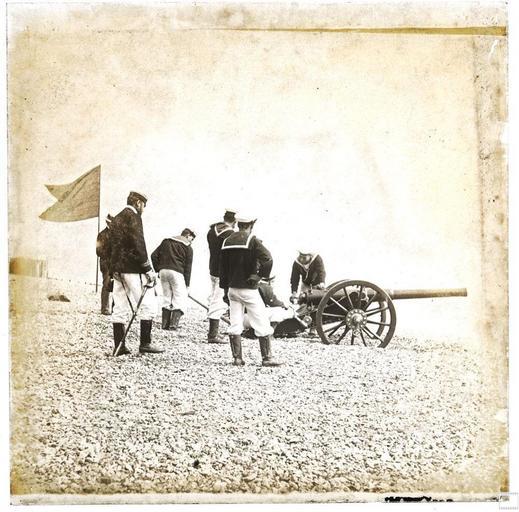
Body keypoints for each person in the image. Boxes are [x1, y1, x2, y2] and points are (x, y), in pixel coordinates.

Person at [219, 214, 282, 367]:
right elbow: (268, 259)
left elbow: (222, 269)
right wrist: (259, 276)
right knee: (261, 322)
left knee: (235, 322)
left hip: (232, 289)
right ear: (251, 225)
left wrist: (225, 289)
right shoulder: (252, 240)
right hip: (248, 289)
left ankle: (237, 358)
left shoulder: (227, 241)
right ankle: (267, 358)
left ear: (238, 224)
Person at [109, 191, 163, 355]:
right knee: (148, 304)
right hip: (134, 269)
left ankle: (119, 346)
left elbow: (110, 246)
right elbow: (139, 243)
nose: (143, 209)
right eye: (143, 205)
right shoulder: (134, 217)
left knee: (119, 307)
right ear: (138, 203)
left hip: (118, 270)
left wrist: (113, 269)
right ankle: (145, 343)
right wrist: (148, 269)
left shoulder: (117, 218)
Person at [151, 228, 196, 331]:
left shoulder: (166, 241)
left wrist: (158, 269)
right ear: (188, 236)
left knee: (167, 296)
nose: (191, 241)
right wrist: (187, 285)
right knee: (179, 297)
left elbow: (153, 256)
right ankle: (173, 325)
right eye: (192, 239)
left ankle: (164, 325)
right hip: (177, 272)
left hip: (163, 271)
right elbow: (188, 268)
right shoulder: (188, 247)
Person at [206, 209, 236, 343]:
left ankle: (213, 332)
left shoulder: (211, 230)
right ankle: (212, 335)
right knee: (218, 301)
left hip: (212, 269)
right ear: (234, 222)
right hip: (223, 272)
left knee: (214, 297)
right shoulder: (230, 234)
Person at [95, 214, 114, 315]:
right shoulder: (101, 235)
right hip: (106, 264)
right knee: (106, 284)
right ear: (107, 222)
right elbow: (98, 251)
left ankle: (114, 308)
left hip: (115, 264)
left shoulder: (117, 234)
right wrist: (110, 254)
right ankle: (105, 308)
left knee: (116, 286)